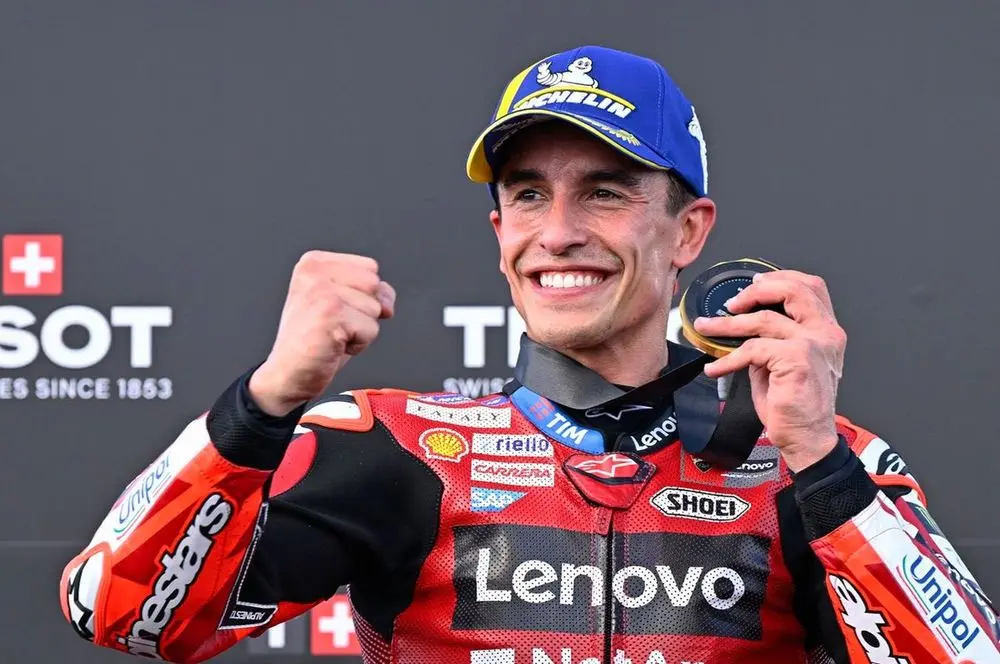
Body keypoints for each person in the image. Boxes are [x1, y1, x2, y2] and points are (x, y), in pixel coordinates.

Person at [59, 45, 998, 664]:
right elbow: (122, 615)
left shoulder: (819, 463)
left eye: (604, 192)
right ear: (498, 229)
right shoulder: (394, 448)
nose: (557, 233)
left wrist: (821, 463)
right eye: (528, 194)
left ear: (688, 230)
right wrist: (263, 403)